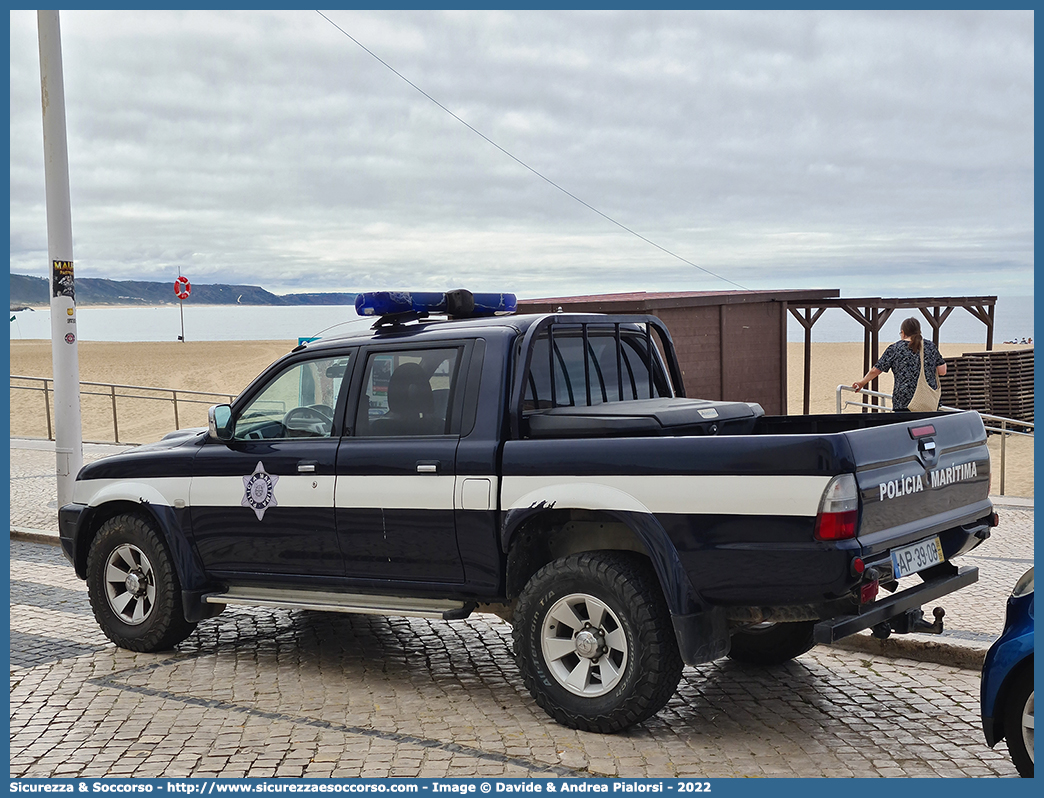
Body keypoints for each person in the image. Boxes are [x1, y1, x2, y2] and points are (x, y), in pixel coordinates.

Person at [852, 317, 946, 411]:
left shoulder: (895, 348)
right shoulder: (930, 346)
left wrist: (862, 383)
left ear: (903, 332)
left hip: (903, 401)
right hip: (928, 401)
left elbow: (875, 370)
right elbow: (942, 371)